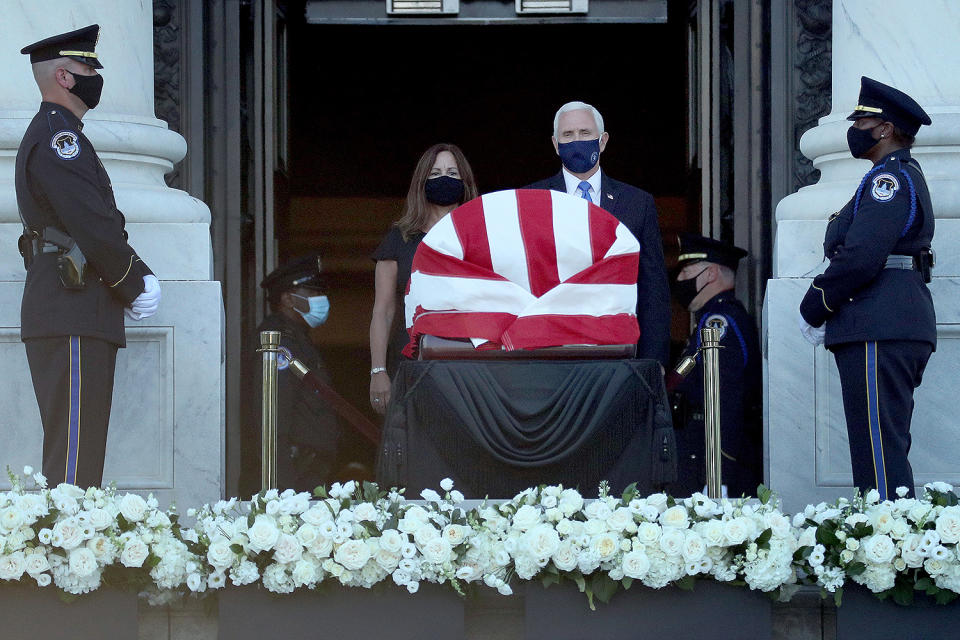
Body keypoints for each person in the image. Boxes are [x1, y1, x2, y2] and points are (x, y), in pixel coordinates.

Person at [16, 25, 161, 488]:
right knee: (74, 457)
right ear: (63, 76)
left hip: (74, 304)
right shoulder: (61, 140)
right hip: (72, 306)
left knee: (79, 449)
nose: (95, 76)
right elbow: (91, 224)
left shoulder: (64, 135)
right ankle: (65, 554)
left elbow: (92, 222)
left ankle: (66, 547)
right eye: (87, 68)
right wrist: (134, 281)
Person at [799, 77, 935, 501]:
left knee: (879, 455)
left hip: (879, 322)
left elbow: (861, 255)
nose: (854, 128)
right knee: (879, 449)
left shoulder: (888, 181)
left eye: (862, 120)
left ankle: (890, 553)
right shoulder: (888, 177)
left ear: (885, 129)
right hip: (885, 319)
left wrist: (816, 303)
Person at [526, 101, 671, 367]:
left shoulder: (636, 203)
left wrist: (653, 364)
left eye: (585, 133)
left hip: (619, 355)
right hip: (551, 355)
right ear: (555, 144)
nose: (576, 141)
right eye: (568, 135)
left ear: (602, 141)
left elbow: (653, 291)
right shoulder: (531, 200)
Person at [368, 143, 479, 414]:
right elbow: (382, 311)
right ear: (421, 181)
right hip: (411, 362)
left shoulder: (481, 237)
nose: (444, 178)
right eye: (436, 172)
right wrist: (378, 370)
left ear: (465, 182)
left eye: (453, 173)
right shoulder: (400, 238)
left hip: (469, 365)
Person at [667, 233, 762, 498]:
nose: (680, 279)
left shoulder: (720, 323)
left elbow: (722, 401)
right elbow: (686, 371)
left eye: (687, 271)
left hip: (711, 463)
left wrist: (718, 473)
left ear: (709, 274)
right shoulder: (707, 321)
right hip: (694, 453)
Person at [248, 253, 344, 493]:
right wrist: (283, 484)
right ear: (288, 299)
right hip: (293, 471)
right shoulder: (278, 342)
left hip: (307, 467)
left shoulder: (297, 338)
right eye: (312, 293)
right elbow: (273, 412)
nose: (320, 300)